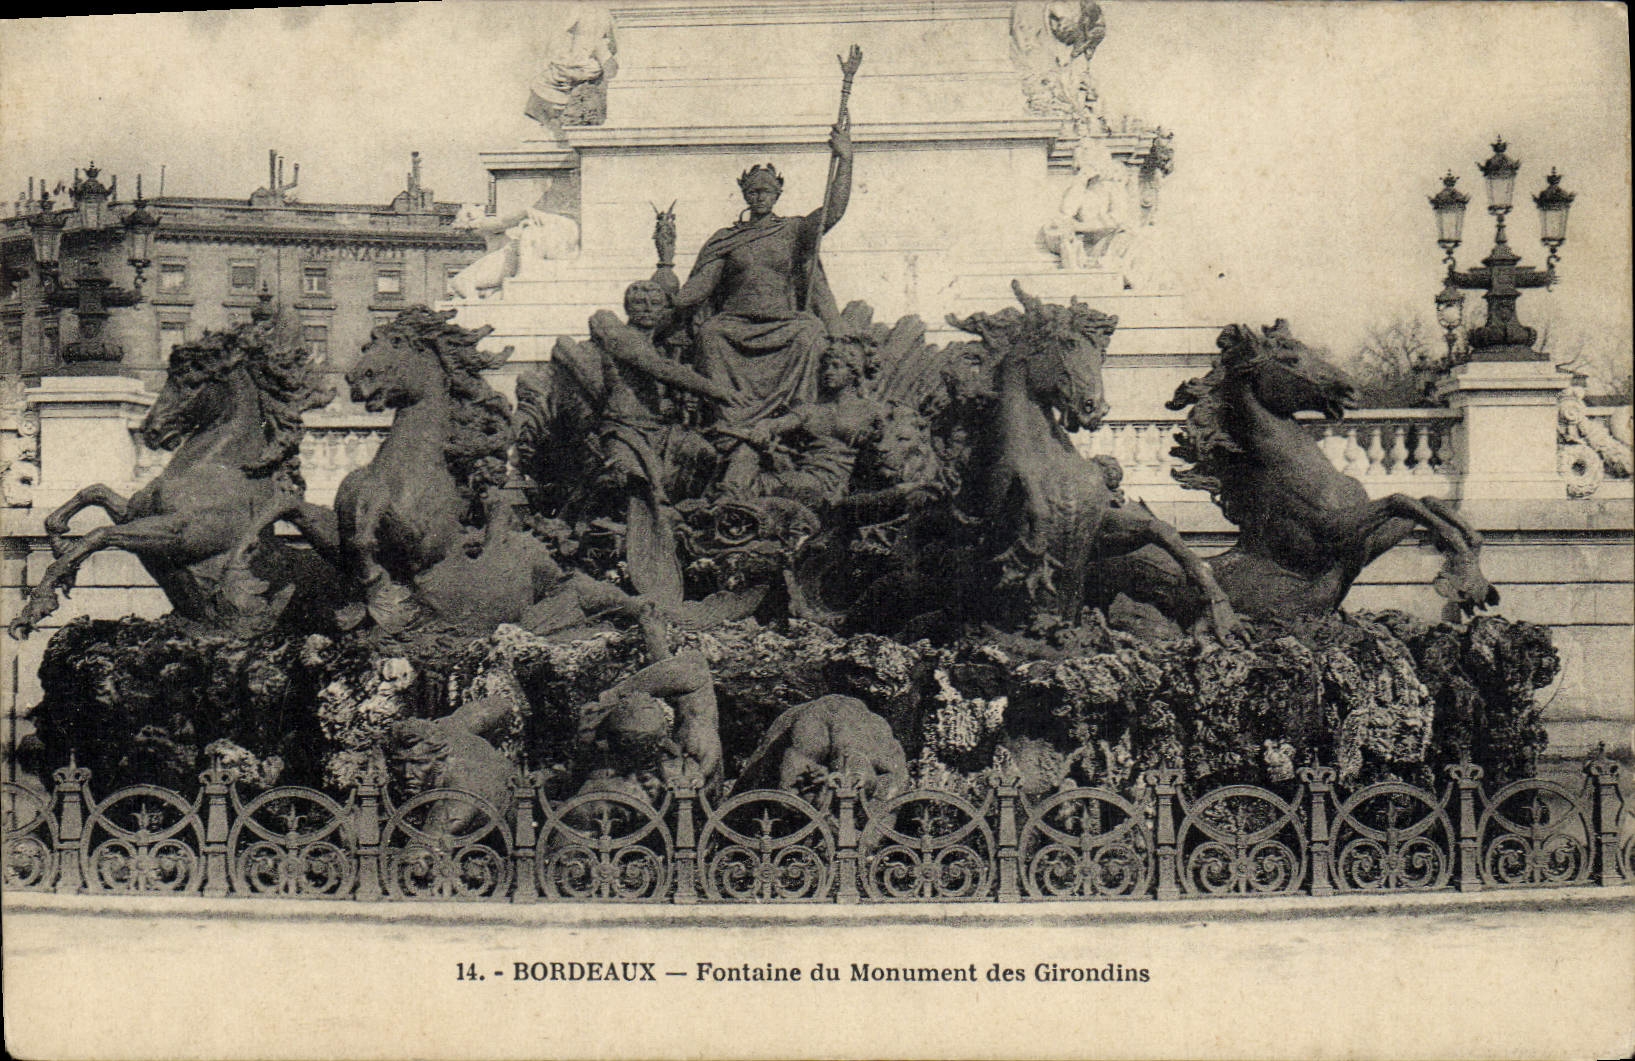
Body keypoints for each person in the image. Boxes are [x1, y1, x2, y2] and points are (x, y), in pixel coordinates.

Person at [659, 124, 855, 492]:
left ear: (778, 192)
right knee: (711, 334)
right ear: (744, 194)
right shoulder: (727, 239)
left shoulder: (794, 230)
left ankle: (793, 419)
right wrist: (672, 294)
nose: (760, 196)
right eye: (753, 191)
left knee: (809, 332)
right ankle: (731, 424)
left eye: (766, 190)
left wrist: (845, 157)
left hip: (783, 322)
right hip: (735, 324)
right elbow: (701, 286)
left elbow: (833, 211)